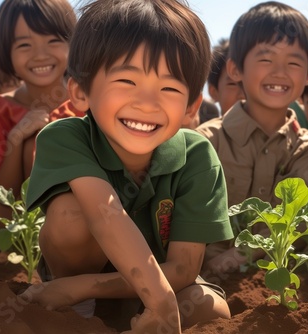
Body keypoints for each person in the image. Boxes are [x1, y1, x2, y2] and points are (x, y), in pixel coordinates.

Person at [22, 1, 233, 332]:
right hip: (75, 283)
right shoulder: (65, 137)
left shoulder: (198, 156)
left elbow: (184, 267)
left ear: (191, 106)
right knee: (69, 214)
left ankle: (107, 306)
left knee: (211, 310)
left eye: (168, 88)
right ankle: (80, 311)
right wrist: (77, 287)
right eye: (126, 81)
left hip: (159, 283)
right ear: (80, 91)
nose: (146, 104)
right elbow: (105, 216)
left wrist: (153, 300)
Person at [195, 1, 308, 276]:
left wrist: (236, 256)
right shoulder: (205, 141)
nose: (279, 72)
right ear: (235, 69)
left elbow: (298, 219)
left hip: (280, 277)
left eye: (293, 62)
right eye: (265, 59)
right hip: (201, 276)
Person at [0, 0, 78, 219]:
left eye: (53, 41)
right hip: (22, 227)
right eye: (25, 45)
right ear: (6, 51)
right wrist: (16, 137)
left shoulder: (89, 102)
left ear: (73, 44)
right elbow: (4, 196)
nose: (40, 55)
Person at [207, 38, 245, 115]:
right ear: (214, 92)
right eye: (232, 84)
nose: (243, 95)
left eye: (250, 84)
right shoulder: (208, 127)